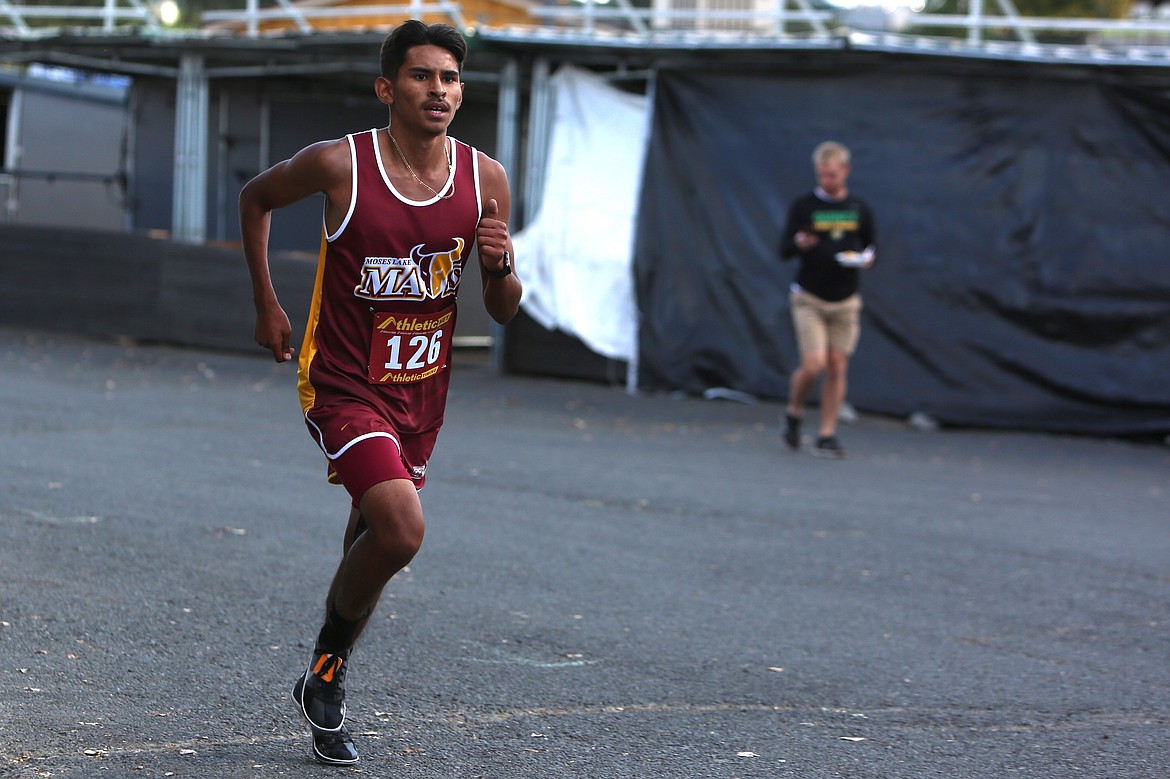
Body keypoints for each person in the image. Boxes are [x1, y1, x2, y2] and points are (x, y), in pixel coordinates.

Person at [238, 20, 522, 765]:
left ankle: (323, 679)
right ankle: (327, 670)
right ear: (387, 87)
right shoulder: (342, 164)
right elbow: (256, 198)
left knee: (368, 533)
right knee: (400, 530)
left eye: (451, 79)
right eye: (424, 76)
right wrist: (269, 301)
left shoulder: (485, 179)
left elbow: (503, 310)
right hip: (342, 380)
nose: (439, 90)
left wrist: (500, 267)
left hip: (422, 392)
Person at [778, 141, 876, 459]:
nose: (827, 181)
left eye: (832, 175)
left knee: (837, 365)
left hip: (845, 299)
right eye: (822, 175)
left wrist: (865, 258)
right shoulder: (804, 206)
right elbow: (784, 250)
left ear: (845, 172)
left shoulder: (859, 207)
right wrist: (799, 242)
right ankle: (794, 411)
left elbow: (872, 245)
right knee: (814, 364)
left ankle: (827, 433)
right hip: (809, 297)